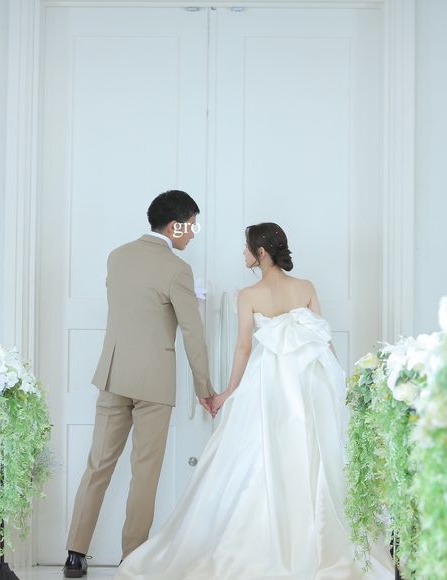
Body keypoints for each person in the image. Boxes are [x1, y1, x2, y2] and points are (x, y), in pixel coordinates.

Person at [114, 222, 394, 580]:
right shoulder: (306, 287)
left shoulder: (248, 295)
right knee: (313, 456)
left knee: (259, 457)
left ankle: (267, 545)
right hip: (310, 382)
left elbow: (244, 348)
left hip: (268, 385)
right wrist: (340, 380)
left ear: (260, 252)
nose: (243, 253)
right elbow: (323, 338)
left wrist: (229, 392)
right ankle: (316, 543)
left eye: (246, 247)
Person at [63, 190, 216, 578]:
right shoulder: (177, 270)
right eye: (191, 225)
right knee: (144, 473)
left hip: (113, 374)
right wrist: (204, 388)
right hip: (154, 382)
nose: (193, 233)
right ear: (174, 226)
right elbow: (192, 334)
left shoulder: (117, 256)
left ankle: (74, 555)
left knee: (97, 466)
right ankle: (131, 558)